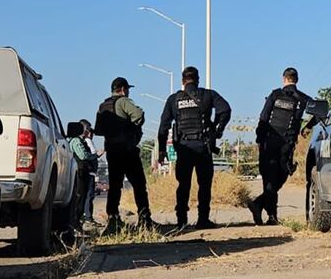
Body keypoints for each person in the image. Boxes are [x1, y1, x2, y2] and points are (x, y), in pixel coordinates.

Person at [158, 66, 231, 229]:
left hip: (184, 148)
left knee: (183, 185)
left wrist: (162, 150)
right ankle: (203, 219)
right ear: (198, 79)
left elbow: (164, 126)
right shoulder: (208, 95)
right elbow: (225, 110)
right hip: (203, 147)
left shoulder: (173, 99)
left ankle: (181, 220)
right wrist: (217, 129)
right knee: (204, 185)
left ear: (183, 81)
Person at [249, 68, 310, 225]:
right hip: (286, 145)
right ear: (297, 79)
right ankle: (271, 216)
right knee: (279, 178)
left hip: (269, 143)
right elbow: (321, 111)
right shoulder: (302, 99)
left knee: (270, 180)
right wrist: (308, 127)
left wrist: (259, 140)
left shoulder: (275, 95)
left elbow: (263, 117)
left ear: (284, 79)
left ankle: (259, 205)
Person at [94, 78, 155, 231]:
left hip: (112, 151)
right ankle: (145, 219)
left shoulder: (103, 106)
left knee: (115, 186)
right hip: (127, 150)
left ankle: (113, 219)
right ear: (122, 89)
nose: (127, 92)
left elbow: (98, 130)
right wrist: (130, 127)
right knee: (139, 185)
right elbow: (138, 115)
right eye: (127, 89)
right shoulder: (123, 101)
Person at [68, 119, 101, 225]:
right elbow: (83, 156)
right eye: (87, 129)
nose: (89, 132)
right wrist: (96, 155)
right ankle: (75, 222)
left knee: (82, 198)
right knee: (80, 198)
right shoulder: (76, 141)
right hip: (80, 172)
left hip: (82, 172)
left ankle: (77, 222)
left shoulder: (80, 141)